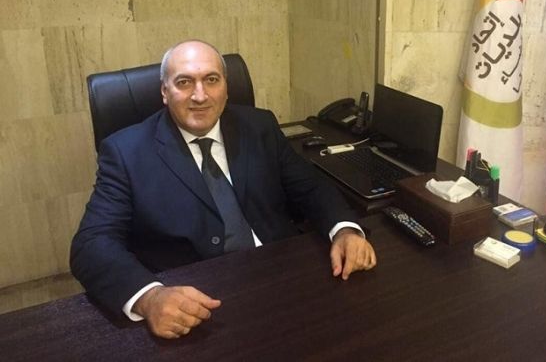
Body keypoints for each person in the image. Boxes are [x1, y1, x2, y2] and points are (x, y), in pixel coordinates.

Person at [70, 40, 376, 339]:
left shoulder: (260, 126)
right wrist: (150, 298)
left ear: (226, 88)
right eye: (184, 82)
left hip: (281, 280)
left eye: (211, 80)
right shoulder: (125, 152)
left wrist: (345, 230)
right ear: (164, 91)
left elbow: (310, 187)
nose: (200, 95)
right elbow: (92, 243)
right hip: (192, 300)